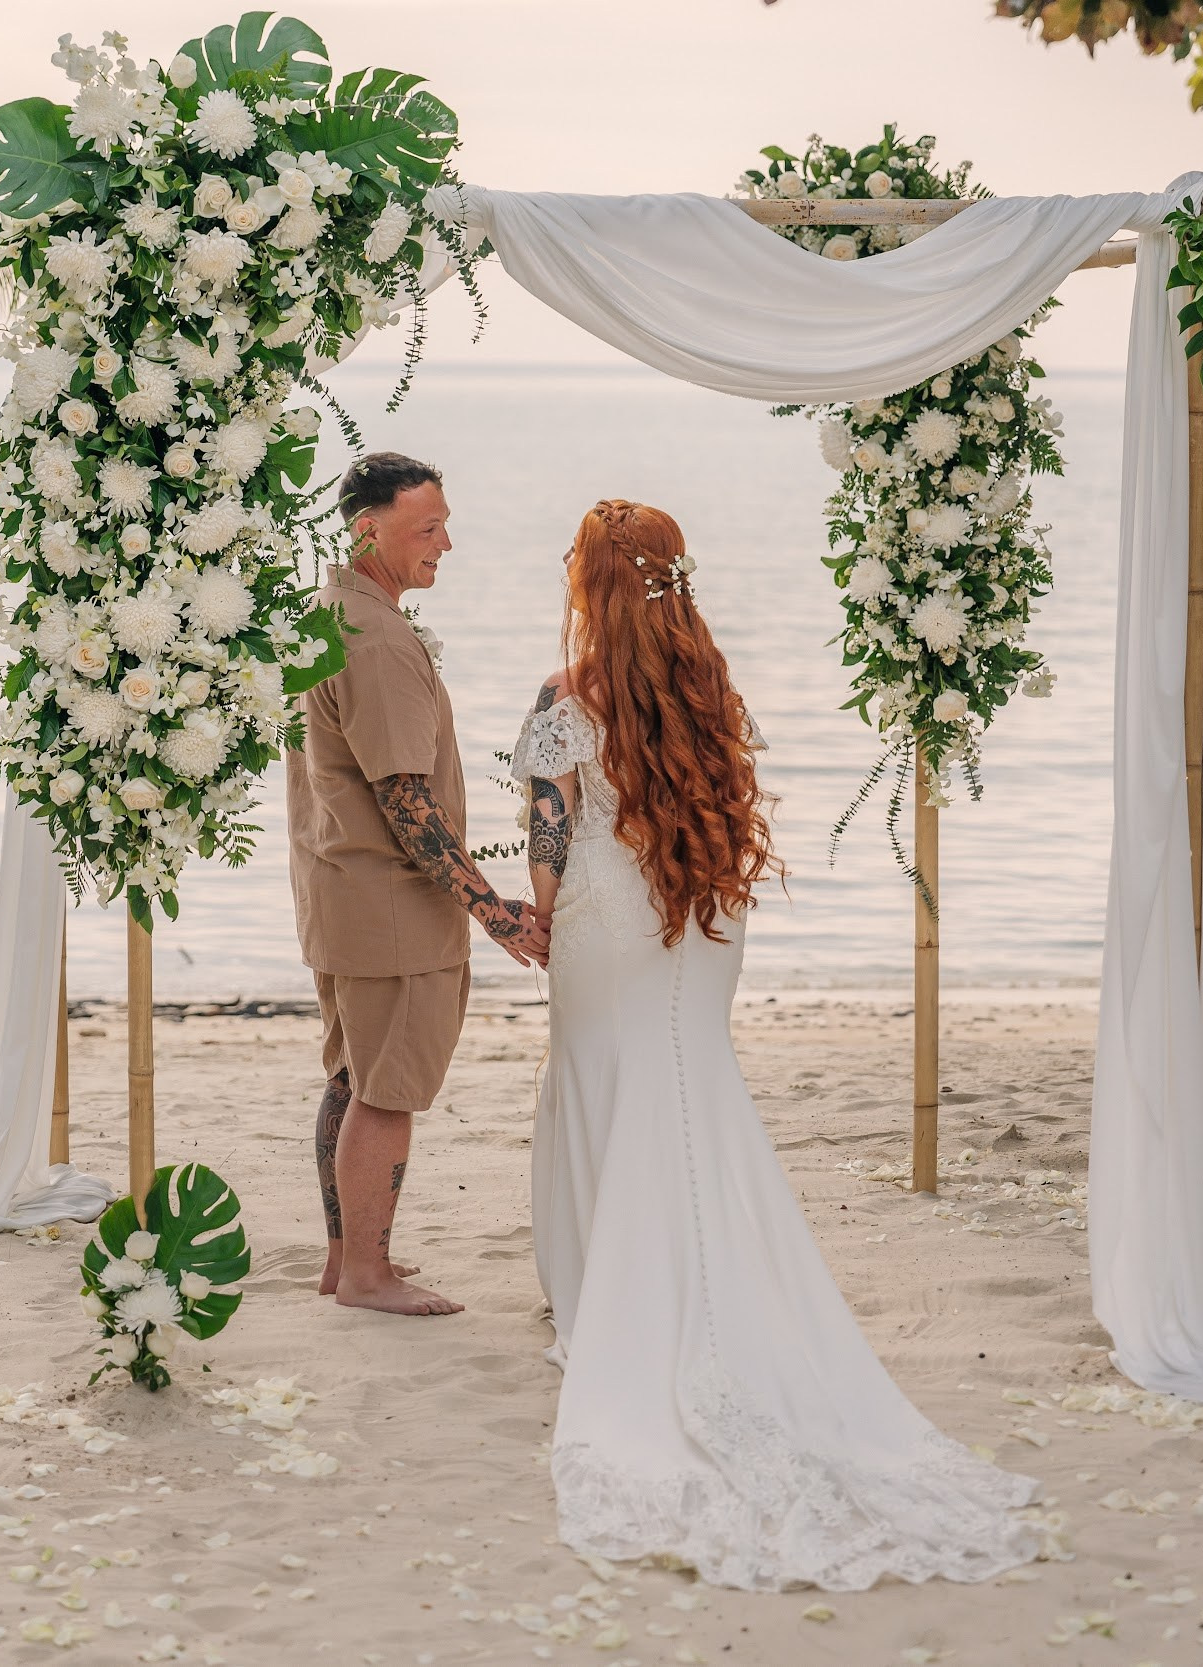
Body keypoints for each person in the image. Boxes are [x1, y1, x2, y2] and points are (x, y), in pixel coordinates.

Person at [511, 499, 1041, 1589]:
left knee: (597, 1085)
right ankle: (680, 1289)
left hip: (606, 921)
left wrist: (539, 913)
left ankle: (602, 1298)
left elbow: (549, 841)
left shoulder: (564, 698)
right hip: (700, 919)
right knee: (690, 1087)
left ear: (593, 584)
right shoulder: (710, 689)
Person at [287, 452, 550, 1317]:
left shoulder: (327, 614)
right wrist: (492, 909)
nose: (447, 542)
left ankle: (342, 1262)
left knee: (350, 1077)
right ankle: (368, 1273)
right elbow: (405, 797)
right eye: (426, 528)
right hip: (391, 906)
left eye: (444, 522)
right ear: (369, 530)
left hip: (337, 894)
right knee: (385, 1091)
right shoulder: (379, 639)